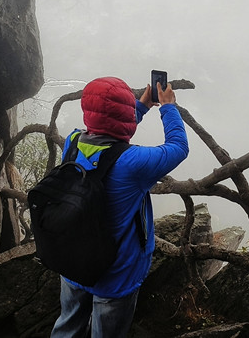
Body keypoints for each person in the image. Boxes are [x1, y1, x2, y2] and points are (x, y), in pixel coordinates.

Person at [50, 76, 189, 338]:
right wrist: (169, 107)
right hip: (116, 274)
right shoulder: (133, 162)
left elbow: (107, 131)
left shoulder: (73, 142)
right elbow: (178, 147)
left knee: (68, 326)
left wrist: (141, 107)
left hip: (72, 260)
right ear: (124, 113)